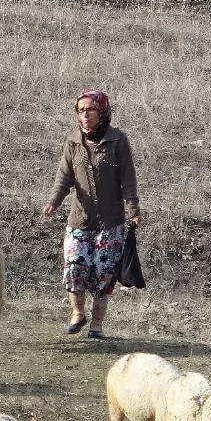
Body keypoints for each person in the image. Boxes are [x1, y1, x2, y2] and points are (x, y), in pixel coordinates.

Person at [41, 90, 141, 339]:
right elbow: (64, 177)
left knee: (103, 274)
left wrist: (133, 209)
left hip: (111, 222)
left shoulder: (118, 140)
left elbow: (128, 178)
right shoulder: (73, 141)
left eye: (90, 109)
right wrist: (54, 201)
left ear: (102, 111)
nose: (85, 115)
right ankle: (78, 314)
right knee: (73, 266)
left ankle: (97, 326)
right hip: (80, 220)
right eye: (81, 110)